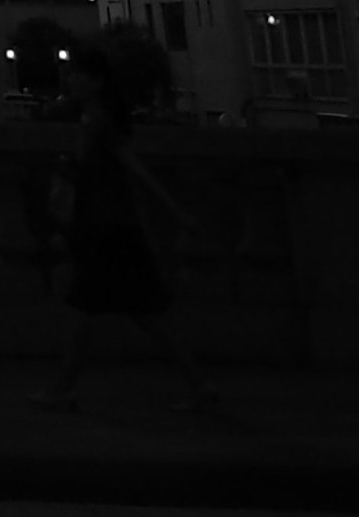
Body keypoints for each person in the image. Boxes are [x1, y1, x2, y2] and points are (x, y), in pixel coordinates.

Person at [37, 36, 223, 416]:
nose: (70, 81)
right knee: (144, 313)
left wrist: (175, 213)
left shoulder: (97, 120)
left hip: (105, 227)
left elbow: (132, 170)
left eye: (77, 75)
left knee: (85, 308)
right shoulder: (98, 118)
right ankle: (198, 383)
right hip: (116, 225)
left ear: (96, 81)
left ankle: (62, 388)